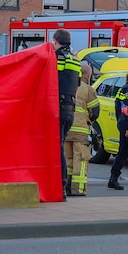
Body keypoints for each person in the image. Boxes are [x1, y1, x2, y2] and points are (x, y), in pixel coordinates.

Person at [63, 61, 99, 196]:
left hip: (66, 129)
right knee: (81, 159)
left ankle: (66, 187)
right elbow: (95, 112)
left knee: (68, 159)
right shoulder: (88, 90)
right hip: (81, 130)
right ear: (88, 75)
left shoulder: (67, 85)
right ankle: (78, 189)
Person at [52, 29, 80, 197]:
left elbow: (51, 79)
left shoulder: (58, 57)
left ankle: (60, 187)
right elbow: (76, 84)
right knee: (59, 146)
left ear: (56, 41)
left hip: (58, 108)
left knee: (56, 148)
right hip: (70, 109)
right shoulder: (76, 60)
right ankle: (61, 186)